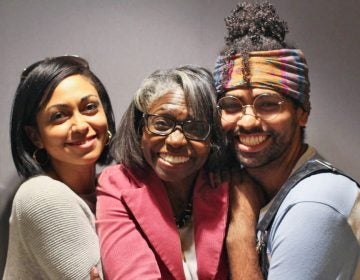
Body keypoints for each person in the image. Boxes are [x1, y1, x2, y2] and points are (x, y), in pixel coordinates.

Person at [213, 2, 360, 279]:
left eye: (267, 104)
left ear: (302, 112)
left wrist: (240, 233)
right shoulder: (259, 187)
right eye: (232, 105)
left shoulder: (315, 204)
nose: (247, 121)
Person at [96, 65, 229, 279]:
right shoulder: (117, 186)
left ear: (212, 139)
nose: (175, 140)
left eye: (195, 128)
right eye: (161, 124)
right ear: (140, 129)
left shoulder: (226, 183)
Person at [4, 55, 116, 279]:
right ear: (35, 136)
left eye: (90, 107)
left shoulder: (113, 192)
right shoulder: (42, 197)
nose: (80, 125)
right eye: (59, 116)